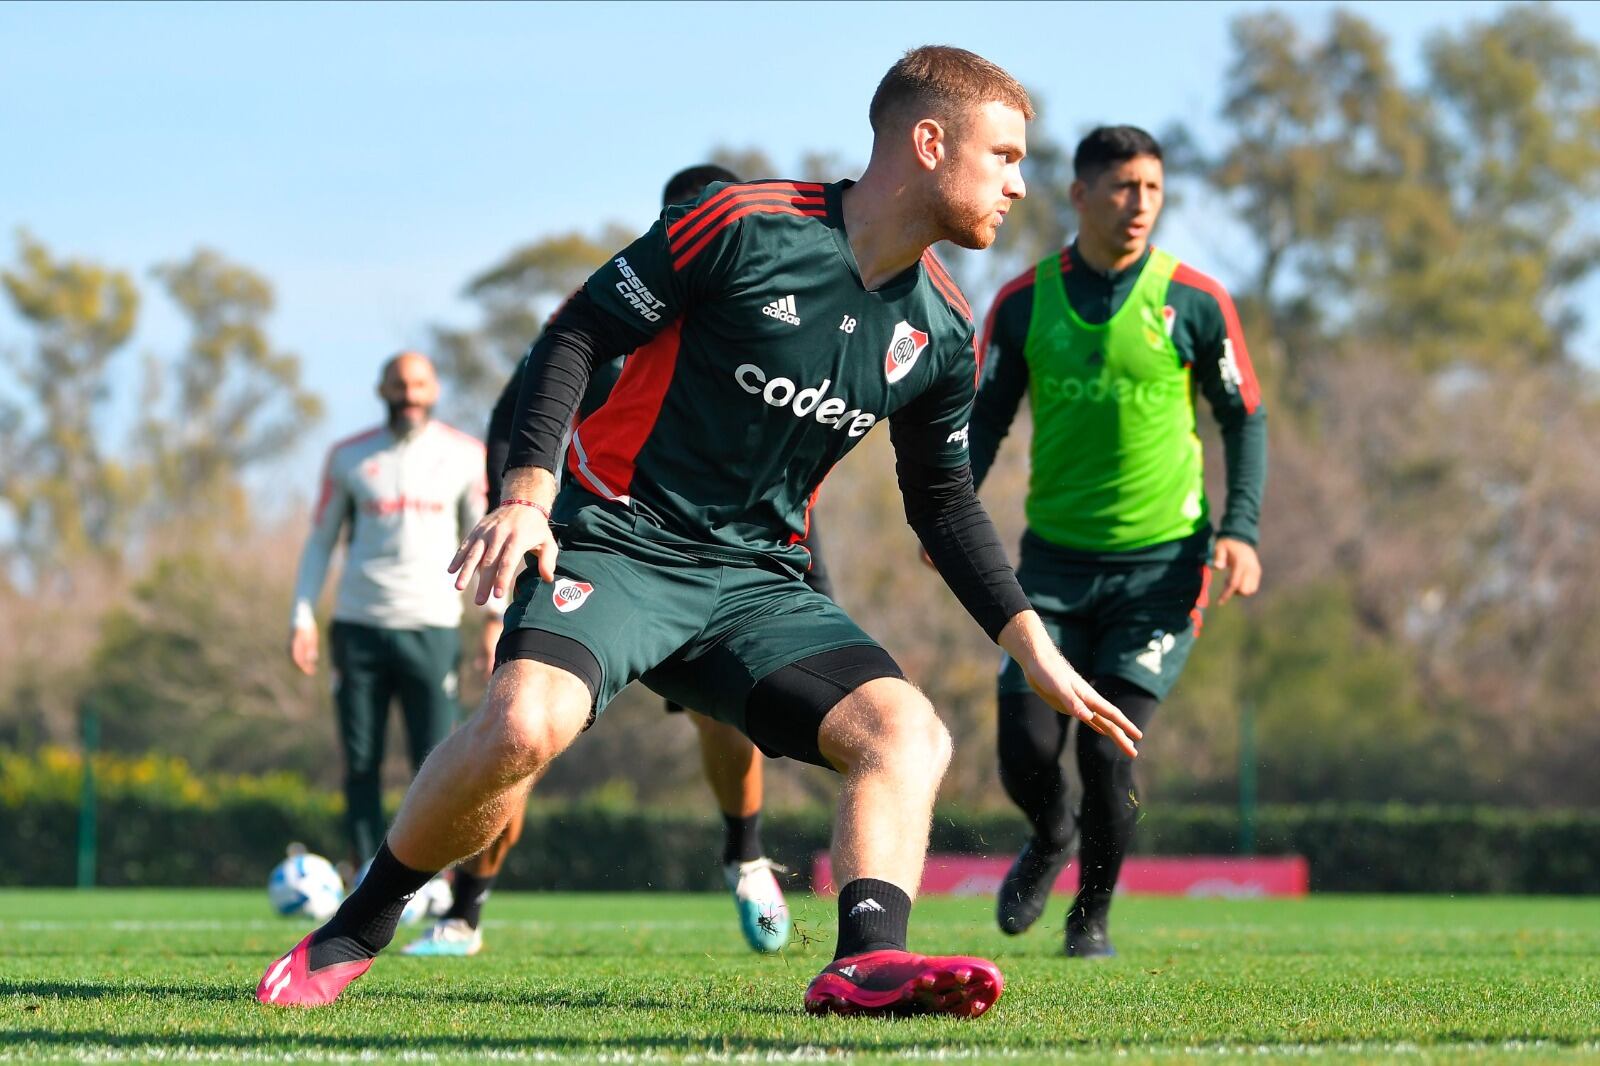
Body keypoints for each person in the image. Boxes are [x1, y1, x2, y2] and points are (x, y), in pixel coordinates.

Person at [257, 45, 1142, 1019]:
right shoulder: (743, 225)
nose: (1022, 184)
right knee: (519, 725)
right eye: (1006, 155)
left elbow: (942, 500)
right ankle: (356, 925)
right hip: (617, 542)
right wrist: (522, 491)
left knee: (907, 733)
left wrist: (1030, 645)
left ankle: (865, 961)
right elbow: (578, 332)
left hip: (759, 584)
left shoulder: (936, 330)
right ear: (929, 144)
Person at [403, 164, 808, 959]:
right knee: (524, 728)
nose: (702, 238)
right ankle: (465, 912)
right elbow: (512, 418)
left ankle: (746, 855)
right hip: (588, 554)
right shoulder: (614, 313)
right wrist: (517, 532)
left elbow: (789, 471)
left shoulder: (762, 333)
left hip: (706, 562)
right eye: (685, 222)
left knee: (727, 720)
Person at [973, 126, 1267, 957]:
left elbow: (1244, 417)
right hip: (1051, 570)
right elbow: (983, 419)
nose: (1139, 205)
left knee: (1108, 752)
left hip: (1164, 572)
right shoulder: (1024, 301)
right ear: (1079, 195)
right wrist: (943, 513)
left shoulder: (1197, 300)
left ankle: (1090, 917)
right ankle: (1051, 833)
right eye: (1121, 187)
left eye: (1153, 190)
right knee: (1027, 748)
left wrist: (1239, 530)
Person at [288, 351, 490, 871]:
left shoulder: (465, 456)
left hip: (433, 627)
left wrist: (495, 620)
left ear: (435, 389)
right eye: (400, 385)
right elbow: (320, 541)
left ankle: (433, 878)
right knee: (360, 763)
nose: (410, 395)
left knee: (438, 762)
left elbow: (489, 540)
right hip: (358, 628)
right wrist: (302, 615)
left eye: (420, 384)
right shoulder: (349, 457)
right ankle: (362, 874)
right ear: (382, 390)